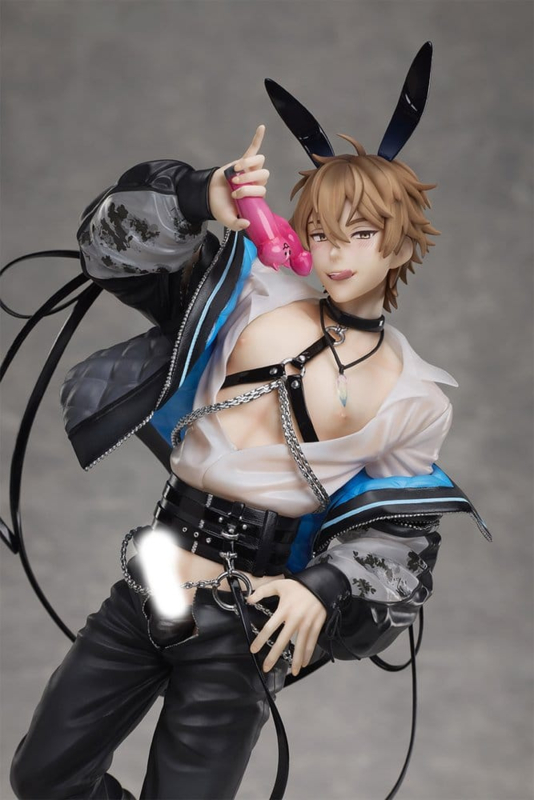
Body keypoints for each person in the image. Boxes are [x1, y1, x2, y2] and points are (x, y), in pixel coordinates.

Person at [10, 112, 490, 800]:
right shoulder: (254, 292)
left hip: (247, 628)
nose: (337, 252)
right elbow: (110, 250)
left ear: (402, 242)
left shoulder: (413, 396)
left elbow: (401, 536)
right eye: (321, 232)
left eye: (361, 233)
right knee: (42, 776)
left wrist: (323, 586)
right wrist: (199, 196)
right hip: (151, 582)